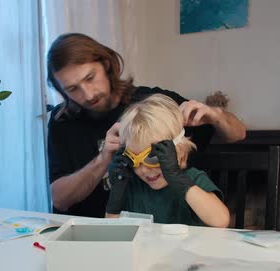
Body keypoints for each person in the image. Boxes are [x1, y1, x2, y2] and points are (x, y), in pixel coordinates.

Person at [46, 33, 245, 218]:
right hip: (90, 231)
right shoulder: (62, 121)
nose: (88, 95)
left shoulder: (152, 104)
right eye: (72, 89)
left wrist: (215, 115)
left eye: (90, 78)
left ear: (106, 64)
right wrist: (104, 158)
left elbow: (238, 134)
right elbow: (60, 200)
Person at [104, 94, 230, 227]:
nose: (145, 169)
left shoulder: (193, 179)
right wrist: (116, 194)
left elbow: (221, 221)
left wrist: (179, 179)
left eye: (153, 158)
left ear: (180, 149)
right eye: (133, 159)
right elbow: (111, 230)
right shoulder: (132, 185)